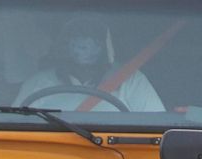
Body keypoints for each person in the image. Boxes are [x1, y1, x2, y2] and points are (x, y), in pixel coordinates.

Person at [13, 17, 164, 113]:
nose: (82, 46)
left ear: (105, 46)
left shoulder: (130, 80)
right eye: (76, 36)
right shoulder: (38, 82)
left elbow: (156, 128)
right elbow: (16, 125)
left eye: (92, 38)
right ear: (64, 45)